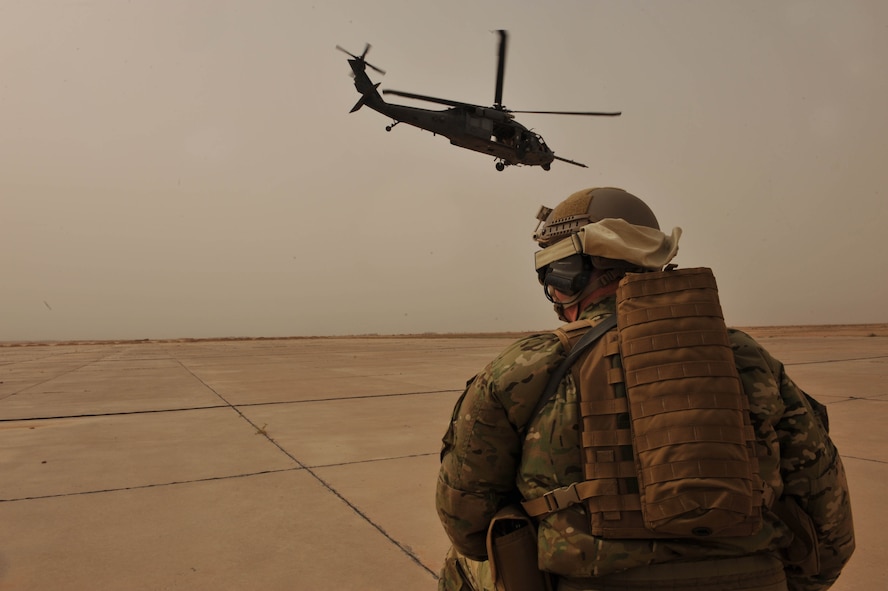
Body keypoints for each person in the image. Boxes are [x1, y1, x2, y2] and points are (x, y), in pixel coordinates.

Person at [436, 187, 855, 591]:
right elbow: (829, 522)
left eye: (552, 277)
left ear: (570, 274)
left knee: (462, 565)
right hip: (759, 580)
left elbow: (467, 526)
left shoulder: (527, 366)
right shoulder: (747, 357)